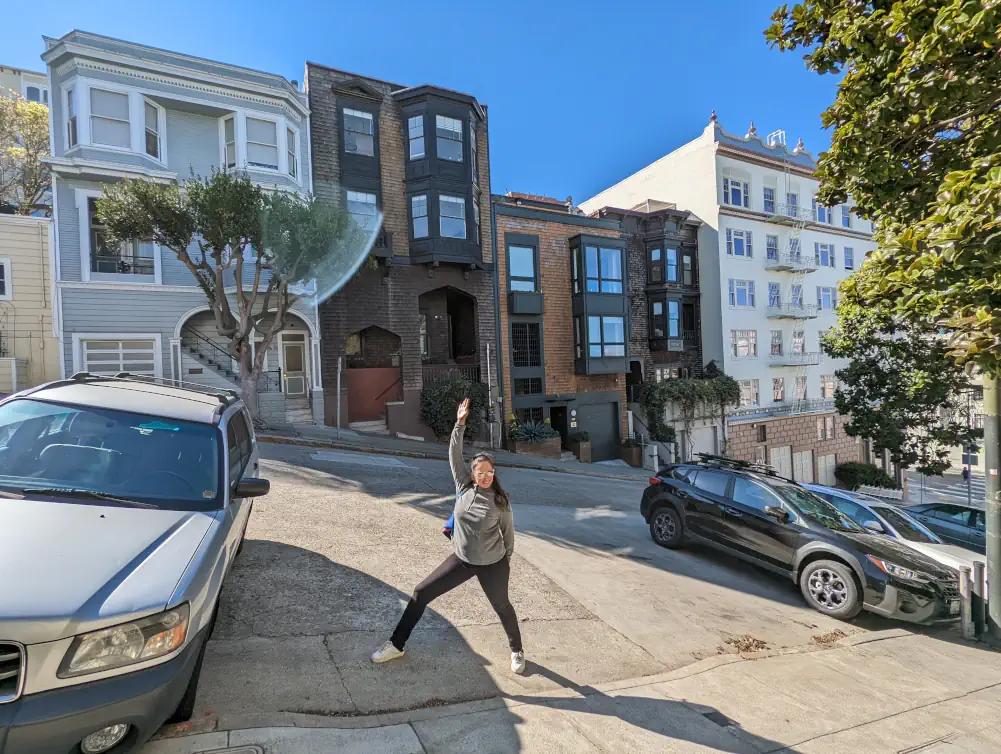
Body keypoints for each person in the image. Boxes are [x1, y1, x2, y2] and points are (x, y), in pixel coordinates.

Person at [371, 397, 525, 674]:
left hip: (493, 564)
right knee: (421, 592)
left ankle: (517, 650)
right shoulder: (464, 487)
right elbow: (454, 453)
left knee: (502, 605)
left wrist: (504, 562)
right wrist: (459, 424)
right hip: (463, 560)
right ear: (473, 474)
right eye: (482, 473)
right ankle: (396, 645)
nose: (487, 477)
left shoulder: (500, 501)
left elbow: (508, 536)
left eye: (491, 472)